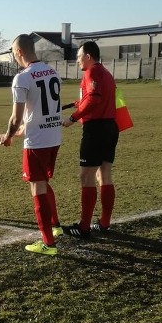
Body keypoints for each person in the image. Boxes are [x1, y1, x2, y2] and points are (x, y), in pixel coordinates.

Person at [0, 34, 63, 256]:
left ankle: (48, 243)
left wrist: (8, 136)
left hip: (37, 142)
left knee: (37, 187)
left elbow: (15, 119)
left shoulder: (22, 78)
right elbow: (39, 113)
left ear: (19, 53)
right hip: (54, 137)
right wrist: (17, 133)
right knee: (43, 182)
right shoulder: (52, 71)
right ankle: (55, 226)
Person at [61, 40, 119, 237]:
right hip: (111, 127)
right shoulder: (106, 73)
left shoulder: (91, 71)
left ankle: (84, 227)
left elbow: (94, 98)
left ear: (88, 56)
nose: (77, 61)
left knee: (86, 177)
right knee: (105, 175)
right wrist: (77, 103)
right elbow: (97, 97)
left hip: (95, 129)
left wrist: (72, 118)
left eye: (78, 57)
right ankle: (104, 223)